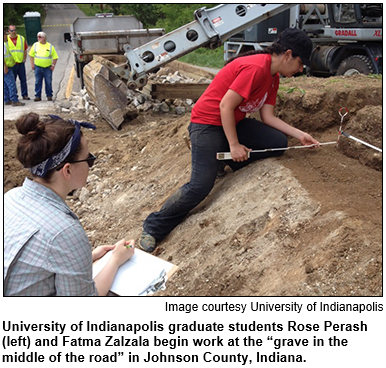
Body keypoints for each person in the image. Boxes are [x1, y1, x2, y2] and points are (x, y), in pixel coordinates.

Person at [139, 28, 320, 253]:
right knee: (200, 186)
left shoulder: (273, 78)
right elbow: (225, 105)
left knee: (277, 143)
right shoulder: (256, 68)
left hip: (231, 123)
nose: (301, 69)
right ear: (288, 54)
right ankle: (153, 227)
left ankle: (226, 159)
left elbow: (267, 116)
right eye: (300, 63)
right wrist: (234, 145)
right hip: (207, 124)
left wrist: (299, 134)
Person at [4, 113, 135, 296]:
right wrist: (115, 260)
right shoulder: (64, 232)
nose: (91, 164)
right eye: (88, 159)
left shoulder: (11, 198)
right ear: (67, 169)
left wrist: (87, 258)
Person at [29, 31, 58, 101]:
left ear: (44, 38)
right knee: (38, 82)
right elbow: (31, 55)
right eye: (38, 37)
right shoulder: (35, 45)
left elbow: (55, 57)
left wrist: (53, 65)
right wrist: (32, 64)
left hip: (47, 68)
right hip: (38, 67)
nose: (38, 38)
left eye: (40, 37)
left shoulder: (50, 46)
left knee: (48, 82)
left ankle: (49, 95)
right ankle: (37, 96)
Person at [7, 25, 30, 100]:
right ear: (9, 31)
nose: (14, 32)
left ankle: (24, 94)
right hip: (11, 64)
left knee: (23, 80)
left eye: (15, 30)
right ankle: (13, 96)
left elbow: (25, 49)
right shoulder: (6, 39)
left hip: (20, 63)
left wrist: (24, 59)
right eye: (12, 30)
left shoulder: (21, 38)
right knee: (12, 82)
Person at [4, 31, 25, 106]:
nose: (6, 37)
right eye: (5, 35)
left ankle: (6, 99)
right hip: (7, 67)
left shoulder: (5, 44)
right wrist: (5, 67)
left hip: (9, 66)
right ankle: (14, 100)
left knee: (5, 84)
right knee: (11, 84)